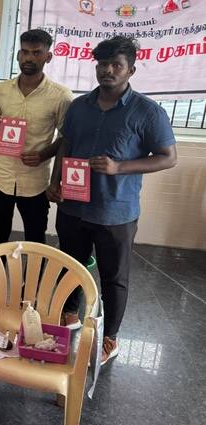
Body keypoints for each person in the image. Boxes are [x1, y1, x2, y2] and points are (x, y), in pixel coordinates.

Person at [47, 37, 177, 364]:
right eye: (102, 64)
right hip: (73, 207)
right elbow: (66, 144)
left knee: (113, 277)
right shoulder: (78, 107)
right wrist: (54, 181)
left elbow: (168, 157)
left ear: (130, 70)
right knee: (70, 267)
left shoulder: (148, 112)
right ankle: (69, 315)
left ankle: (110, 338)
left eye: (116, 65)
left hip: (115, 212)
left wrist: (120, 167)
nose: (107, 71)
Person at [0, 29, 73, 312]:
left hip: (35, 181)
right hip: (1, 175)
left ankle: (31, 293)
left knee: (35, 240)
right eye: (24, 51)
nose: (29, 58)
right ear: (18, 53)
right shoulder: (1, 90)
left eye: (36, 52)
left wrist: (44, 153)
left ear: (48, 56)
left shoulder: (61, 96)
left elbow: (66, 137)